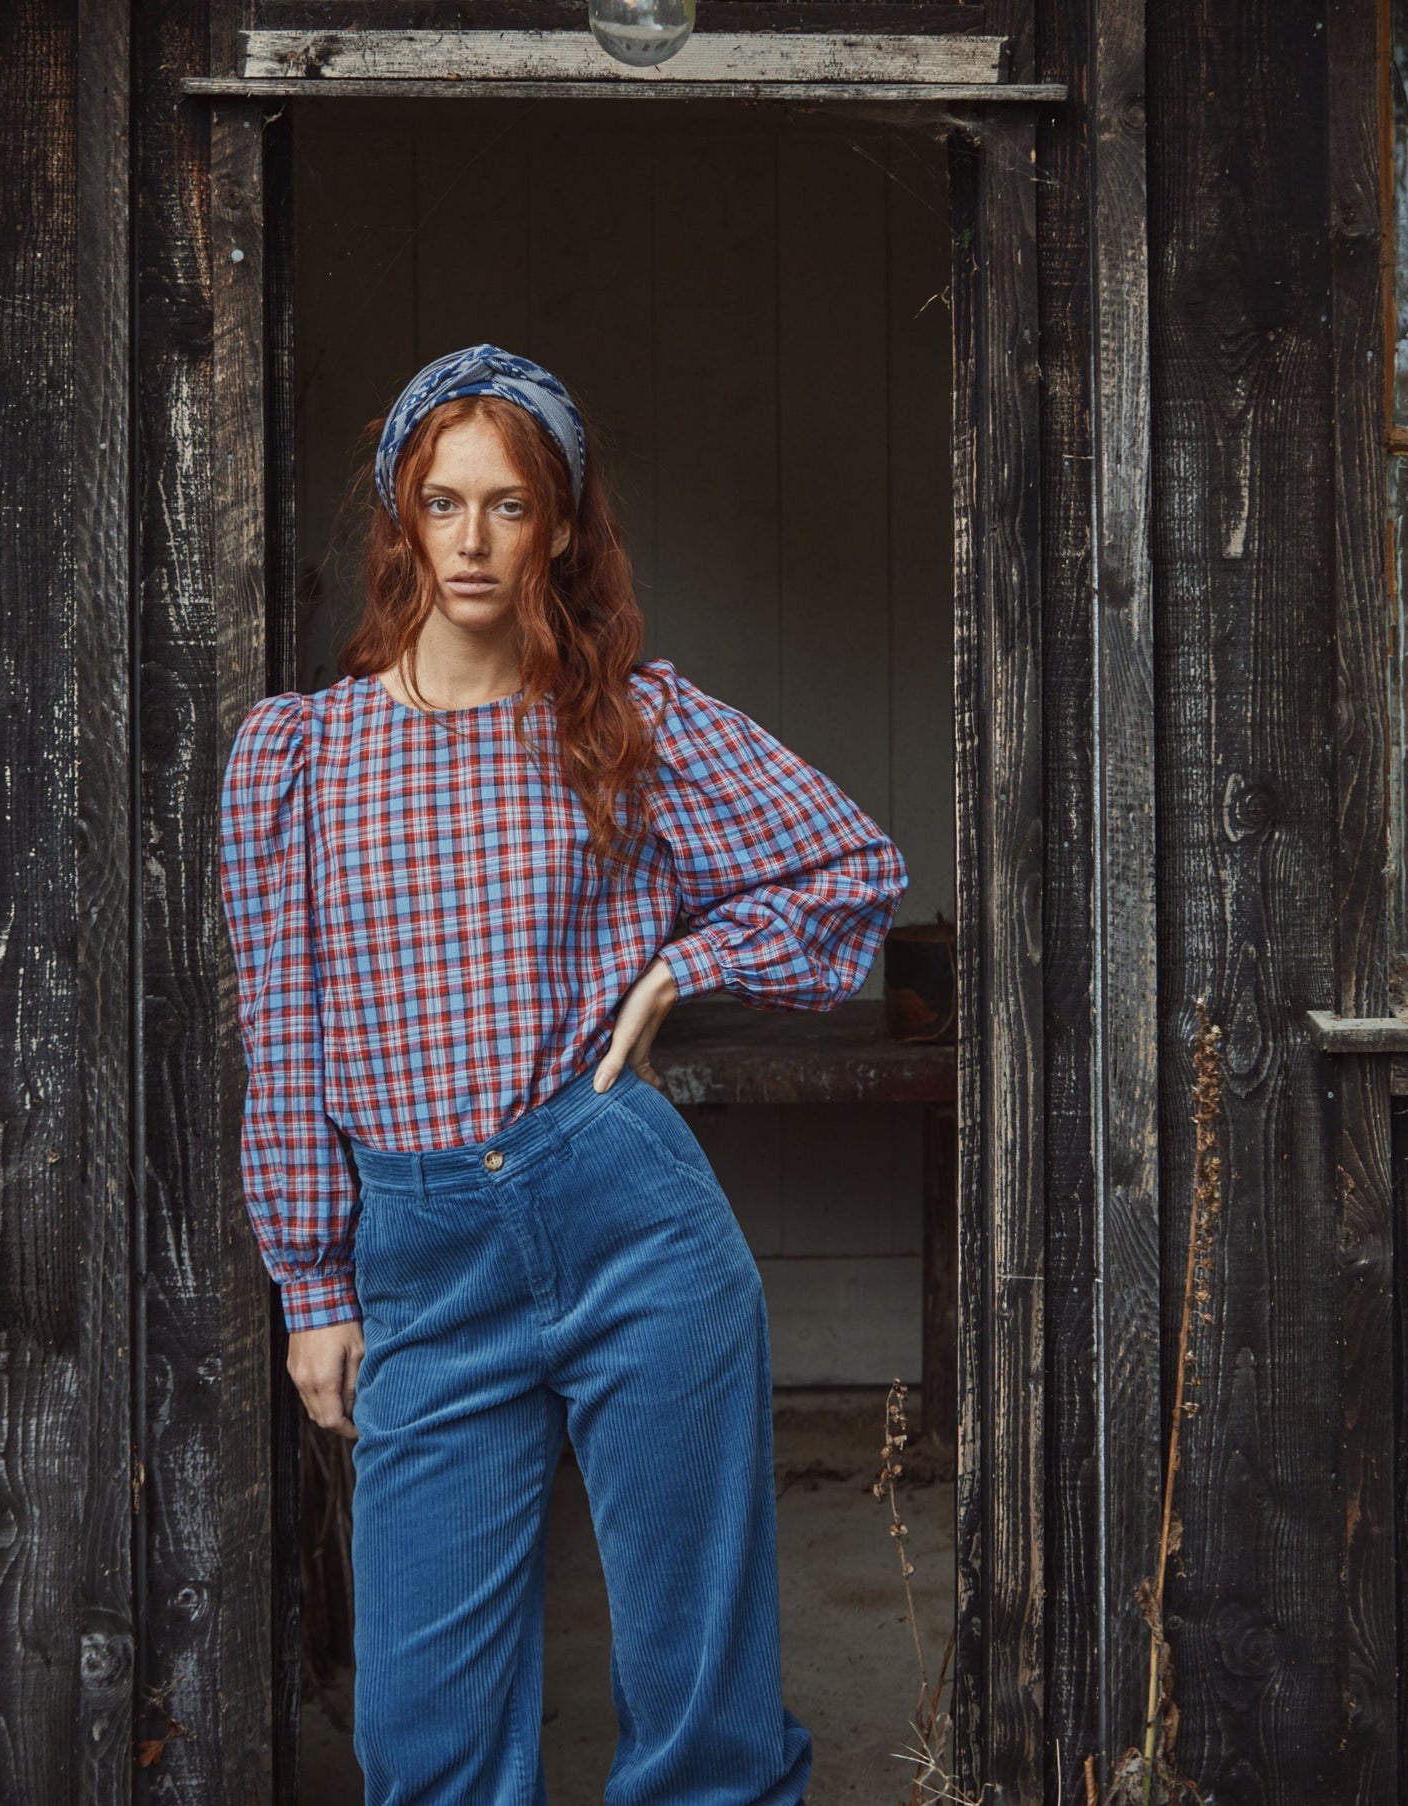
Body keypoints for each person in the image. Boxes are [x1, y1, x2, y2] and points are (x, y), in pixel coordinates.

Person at [219, 344, 909, 1806]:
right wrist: (314, 1290)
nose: (472, 542)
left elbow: (854, 867)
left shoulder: (625, 721)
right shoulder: (295, 756)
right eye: (441, 503)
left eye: (510, 506)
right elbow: (283, 1035)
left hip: (624, 1215)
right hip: (422, 1256)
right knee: (428, 1740)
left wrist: (676, 970)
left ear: (562, 523)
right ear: (400, 520)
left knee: (702, 1715)